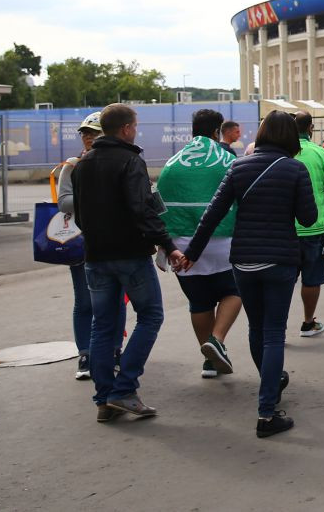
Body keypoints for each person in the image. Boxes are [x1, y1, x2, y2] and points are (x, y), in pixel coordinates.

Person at [186, 110, 318, 437]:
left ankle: (270, 383)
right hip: (280, 261)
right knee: (274, 333)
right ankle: (267, 412)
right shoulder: (295, 169)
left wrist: (190, 254)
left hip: (243, 261)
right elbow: (307, 217)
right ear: (290, 138)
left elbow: (212, 214)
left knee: (257, 328)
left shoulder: (238, 166)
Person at [72, 103, 186, 422]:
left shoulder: (83, 165)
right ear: (125, 129)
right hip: (130, 255)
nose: (136, 130)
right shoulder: (130, 160)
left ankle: (104, 399)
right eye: (135, 125)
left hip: (94, 256)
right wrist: (168, 245)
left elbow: (80, 215)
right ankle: (125, 389)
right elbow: (142, 209)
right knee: (150, 316)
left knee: (103, 325)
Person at [156, 108, 242, 379]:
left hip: (181, 244)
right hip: (222, 240)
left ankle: (209, 361)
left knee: (199, 302)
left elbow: (161, 205)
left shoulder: (173, 163)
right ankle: (216, 340)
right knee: (234, 290)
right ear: (217, 131)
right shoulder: (226, 159)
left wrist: (167, 246)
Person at [56, 111, 125, 381]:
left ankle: (115, 350)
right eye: (84, 133)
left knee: (116, 301)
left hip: (114, 240)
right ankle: (85, 353)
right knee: (84, 301)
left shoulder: (118, 161)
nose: (87, 137)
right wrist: (95, 197)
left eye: (92, 132)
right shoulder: (72, 165)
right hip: (81, 243)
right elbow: (63, 202)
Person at [292, 112, 324, 337]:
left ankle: (276, 327)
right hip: (314, 227)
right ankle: (308, 322)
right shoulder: (321, 154)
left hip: (282, 229)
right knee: (311, 278)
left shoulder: (281, 154)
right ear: (311, 128)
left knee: (281, 280)